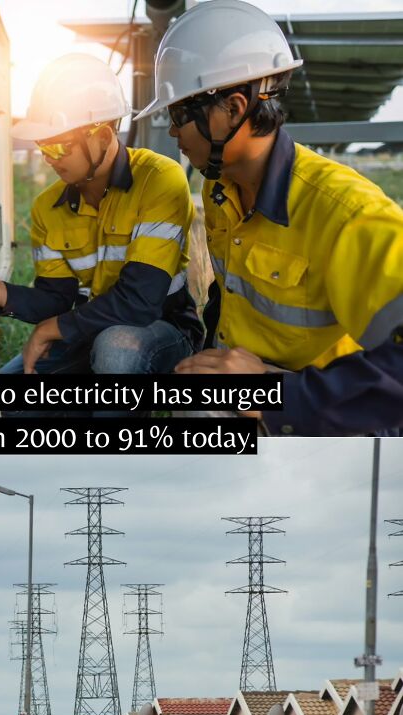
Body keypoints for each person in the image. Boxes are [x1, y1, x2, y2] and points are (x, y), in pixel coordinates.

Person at [135, 0, 403, 436]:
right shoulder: (220, 188)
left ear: (234, 108)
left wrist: (274, 397)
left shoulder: (346, 214)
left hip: (324, 405)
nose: (172, 131)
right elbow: (229, 297)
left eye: (178, 113)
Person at [0, 53, 203, 379]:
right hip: (91, 328)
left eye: (59, 147)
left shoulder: (159, 179)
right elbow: (56, 301)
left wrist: (49, 330)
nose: (49, 159)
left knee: (116, 350)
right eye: (44, 146)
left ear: (102, 137)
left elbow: (140, 303)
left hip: (162, 329)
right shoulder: (48, 208)